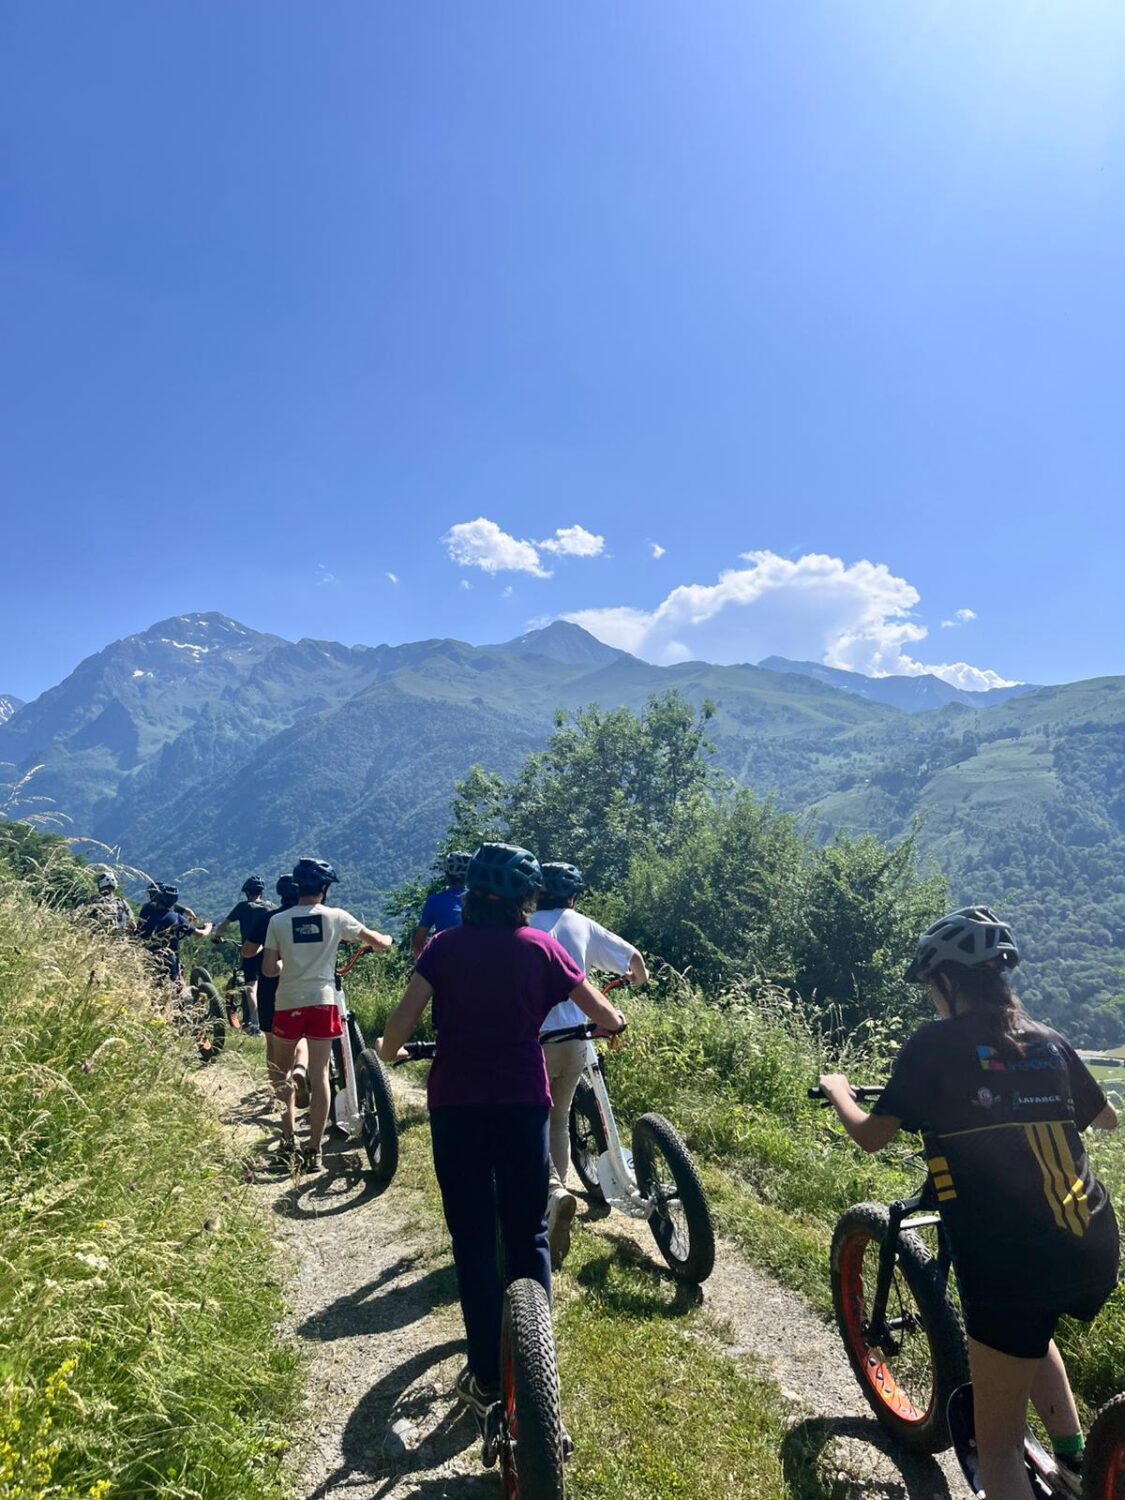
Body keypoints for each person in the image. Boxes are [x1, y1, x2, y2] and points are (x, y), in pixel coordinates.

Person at [819, 907, 1119, 1500]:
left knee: (997, 1447)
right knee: (1028, 1332)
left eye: (932, 987)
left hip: (1012, 1261)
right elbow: (1105, 1118)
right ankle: (1074, 1461)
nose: (932, 998)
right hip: (1092, 1242)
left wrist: (838, 1092)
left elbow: (872, 1136)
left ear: (947, 981)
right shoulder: (1048, 1040)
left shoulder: (934, 1046)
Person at [378, 843, 627, 1418]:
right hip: (521, 1103)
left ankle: (488, 1375)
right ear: (525, 900)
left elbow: (398, 1028)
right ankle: (537, 1362)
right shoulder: (540, 947)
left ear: (471, 895)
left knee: (472, 1239)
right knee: (527, 1233)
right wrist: (614, 1022)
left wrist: (391, 1052)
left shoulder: (443, 947)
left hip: (456, 1104)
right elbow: (604, 1014)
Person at [530, 860, 649, 1267]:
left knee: (530, 1121)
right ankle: (559, 1191)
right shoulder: (581, 924)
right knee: (559, 1118)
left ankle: (548, 1197)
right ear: (573, 896)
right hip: (576, 1040)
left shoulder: (522, 927)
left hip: (532, 1042)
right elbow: (634, 959)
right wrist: (634, 979)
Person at [261, 858, 393, 1171]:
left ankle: (288, 1139)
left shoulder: (278, 921)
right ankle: (314, 1150)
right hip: (323, 1003)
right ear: (324, 887)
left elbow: (268, 970)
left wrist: (289, 964)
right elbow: (377, 942)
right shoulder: (336, 917)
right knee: (320, 1074)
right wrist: (386, 941)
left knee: (281, 1073)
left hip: (288, 1003)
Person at [255, 875, 305, 1105]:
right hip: (302, 983)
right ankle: (301, 1068)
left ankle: (278, 1096)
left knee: (272, 1041)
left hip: (271, 986)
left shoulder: (269, 918)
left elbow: (247, 951)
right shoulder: (308, 917)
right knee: (302, 1033)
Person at [212, 875, 271, 1035]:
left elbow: (223, 926)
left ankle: (256, 1025)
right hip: (270, 950)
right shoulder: (270, 906)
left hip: (250, 950)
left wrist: (218, 938)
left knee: (251, 986)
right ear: (261, 892)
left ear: (247, 893)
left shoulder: (243, 907)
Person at [137, 882, 212, 987]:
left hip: (145, 955)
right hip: (168, 958)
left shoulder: (146, 910)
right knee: (174, 987)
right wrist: (208, 928)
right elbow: (199, 934)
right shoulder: (177, 918)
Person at [411, 851, 471, 957]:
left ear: (446, 876)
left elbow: (419, 942)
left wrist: (420, 962)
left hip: (445, 959)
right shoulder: (480, 900)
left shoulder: (435, 901)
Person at [88, 869, 135, 935]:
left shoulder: (93, 901)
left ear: (100, 885)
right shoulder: (122, 902)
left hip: (97, 938)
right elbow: (133, 925)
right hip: (119, 939)